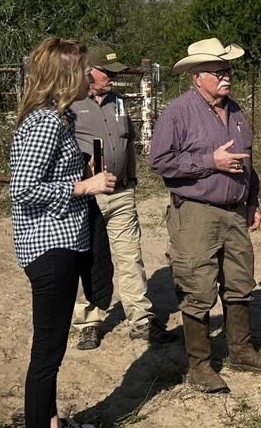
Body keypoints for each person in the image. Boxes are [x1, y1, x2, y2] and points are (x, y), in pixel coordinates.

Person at [150, 37, 261, 394]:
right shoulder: (177, 112)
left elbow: (249, 161)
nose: (226, 76)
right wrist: (210, 162)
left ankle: (240, 350)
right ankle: (200, 366)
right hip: (196, 213)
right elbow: (159, 163)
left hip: (235, 212)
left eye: (228, 70)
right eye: (218, 71)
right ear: (197, 77)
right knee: (197, 287)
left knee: (240, 281)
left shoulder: (236, 110)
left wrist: (252, 200)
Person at [10, 37, 115, 428]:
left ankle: (51, 420)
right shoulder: (45, 122)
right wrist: (82, 186)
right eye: (85, 70)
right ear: (66, 76)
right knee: (47, 353)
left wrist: (78, 170)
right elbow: (22, 187)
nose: (90, 76)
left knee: (51, 351)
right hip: (50, 247)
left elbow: (45, 174)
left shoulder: (59, 119)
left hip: (63, 242)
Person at [70, 45, 175, 349]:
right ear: (90, 72)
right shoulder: (72, 105)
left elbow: (127, 142)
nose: (113, 79)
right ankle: (88, 322)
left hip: (122, 192)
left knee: (131, 257)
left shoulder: (119, 102)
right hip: (88, 196)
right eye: (108, 73)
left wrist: (131, 179)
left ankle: (141, 320)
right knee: (89, 259)